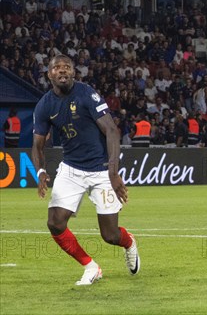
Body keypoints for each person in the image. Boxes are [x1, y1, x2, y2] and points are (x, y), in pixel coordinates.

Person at [31, 54, 140, 286]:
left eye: (67, 67)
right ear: (49, 74)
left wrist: (112, 172)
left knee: (110, 236)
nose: (62, 71)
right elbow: (37, 145)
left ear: (73, 73)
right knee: (55, 222)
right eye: (57, 68)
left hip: (101, 170)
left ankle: (129, 242)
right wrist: (40, 173)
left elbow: (112, 131)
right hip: (71, 169)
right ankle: (90, 266)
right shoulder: (44, 105)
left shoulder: (87, 94)